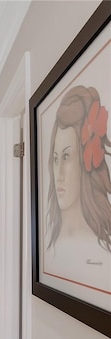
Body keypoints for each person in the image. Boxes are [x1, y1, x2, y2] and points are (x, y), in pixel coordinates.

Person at [45, 85, 111, 263]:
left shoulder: (99, 247)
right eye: (56, 158)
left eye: (67, 156)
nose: (59, 174)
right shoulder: (48, 238)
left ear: (84, 161)